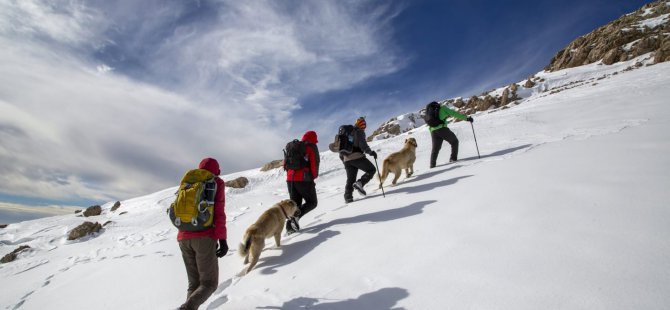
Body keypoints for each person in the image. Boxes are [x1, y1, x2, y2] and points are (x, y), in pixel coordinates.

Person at [177, 158, 228, 310]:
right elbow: (219, 213)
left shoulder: (189, 181)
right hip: (204, 238)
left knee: (194, 284)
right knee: (209, 284)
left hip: (183, 237)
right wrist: (222, 239)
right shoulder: (216, 182)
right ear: (217, 170)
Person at [285, 130, 320, 234]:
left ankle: (290, 228)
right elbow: (314, 163)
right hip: (304, 179)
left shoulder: (295, 146)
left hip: (290, 179)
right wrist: (313, 177)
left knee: (294, 205)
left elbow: (285, 165)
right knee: (312, 202)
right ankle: (296, 217)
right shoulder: (311, 147)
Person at [341, 117, 377, 203]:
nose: (364, 126)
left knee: (350, 179)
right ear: (360, 124)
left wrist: (345, 160)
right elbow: (362, 145)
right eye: (363, 124)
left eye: (364, 125)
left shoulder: (347, 133)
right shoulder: (359, 131)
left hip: (346, 159)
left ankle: (348, 197)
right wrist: (371, 152)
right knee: (371, 169)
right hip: (356, 157)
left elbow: (341, 149)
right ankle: (360, 183)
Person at [427, 101, 473, 168]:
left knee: (435, 149)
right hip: (442, 129)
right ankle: (453, 159)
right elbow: (454, 114)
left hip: (433, 131)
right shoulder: (443, 108)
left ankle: (432, 165)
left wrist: (433, 132)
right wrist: (467, 118)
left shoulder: (430, 113)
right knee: (454, 142)